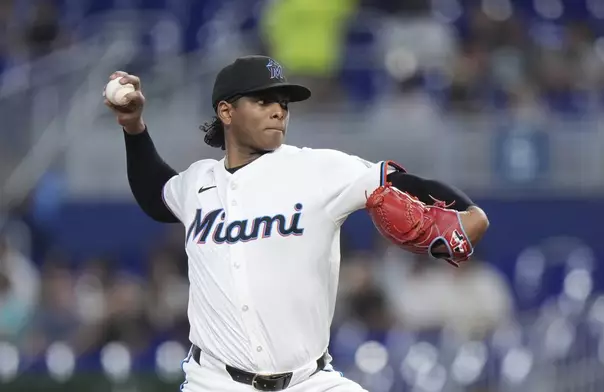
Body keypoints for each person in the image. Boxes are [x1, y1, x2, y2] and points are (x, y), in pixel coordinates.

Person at [104, 55, 489, 392]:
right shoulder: (198, 181)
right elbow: (156, 196)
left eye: (283, 103)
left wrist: (469, 213)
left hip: (310, 381)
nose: (279, 111)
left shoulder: (318, 168)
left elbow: (401, 183)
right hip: (215, 382)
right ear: (226, 112)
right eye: (263, 100)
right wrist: (133, 127)